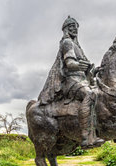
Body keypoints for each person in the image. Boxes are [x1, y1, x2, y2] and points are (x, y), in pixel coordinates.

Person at [39, 16, 104, 148]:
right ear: (66, 29)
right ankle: (87, 137)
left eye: (76, 26)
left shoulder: (78, 47)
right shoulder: (67, 43)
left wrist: (93, 70)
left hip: (82, 79)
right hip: (71, 80)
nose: (74, 29)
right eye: (71, 26)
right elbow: (69, 63)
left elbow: (85, 66)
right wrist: (81, 66)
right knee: (89, 95)